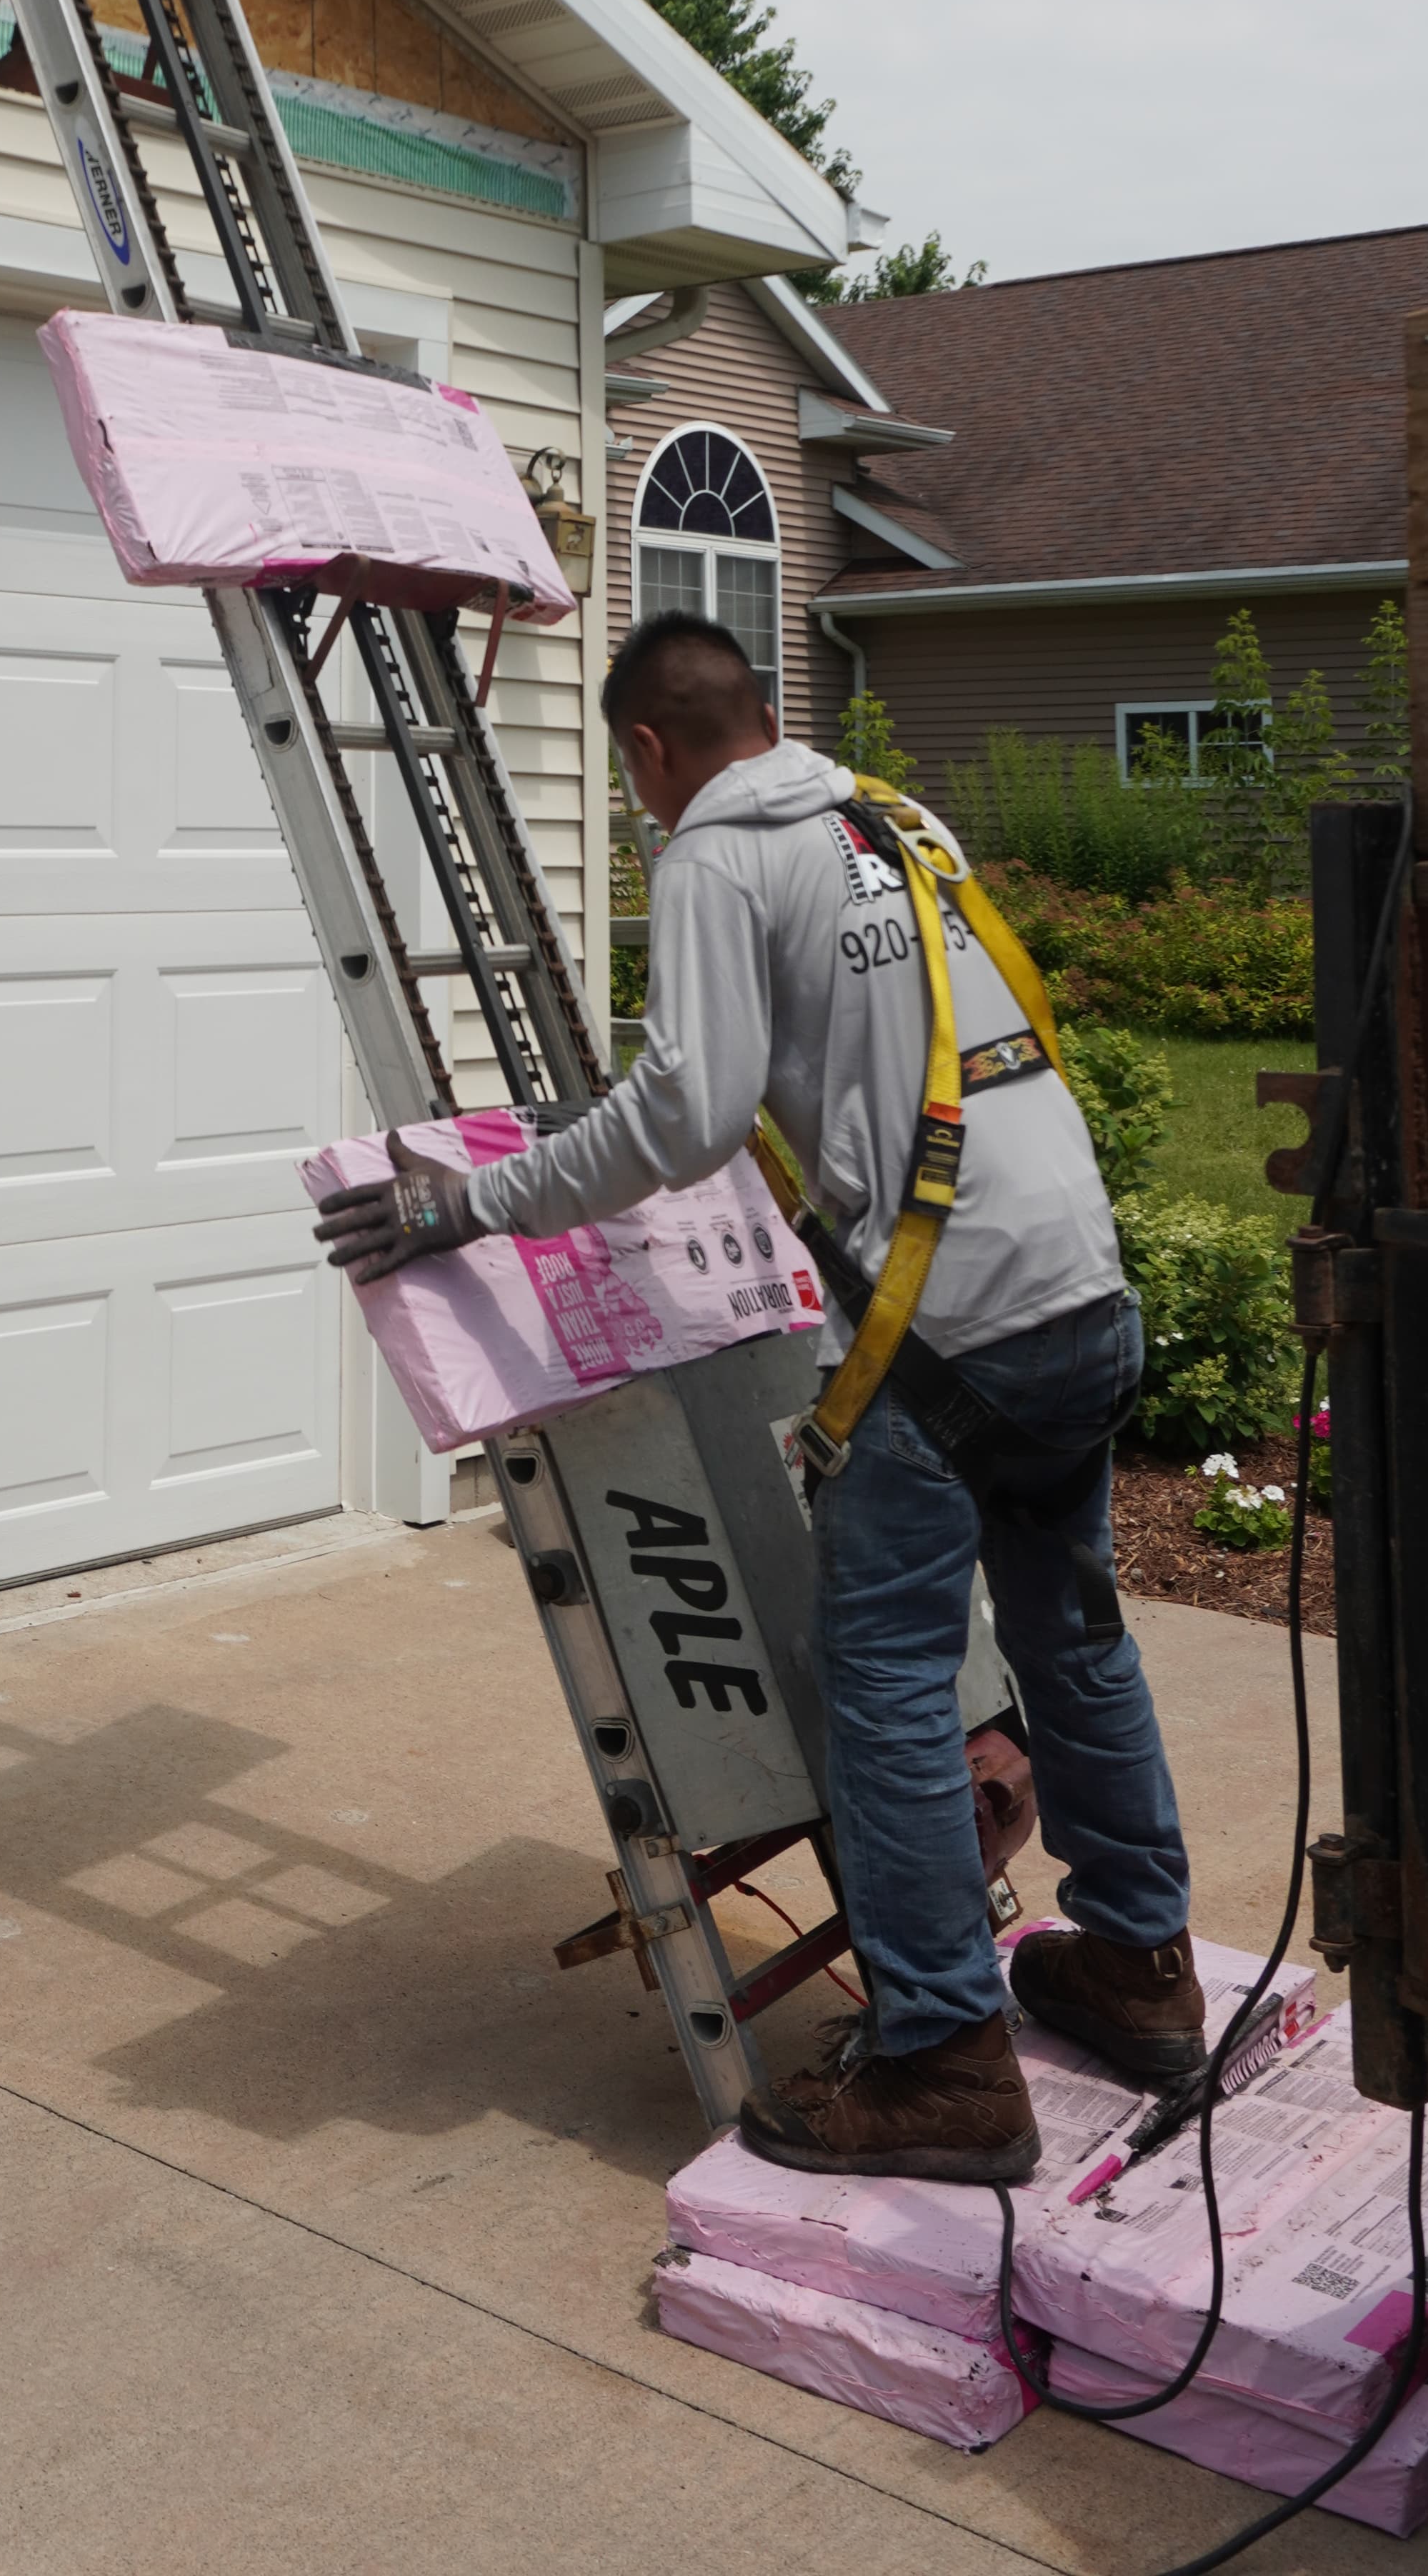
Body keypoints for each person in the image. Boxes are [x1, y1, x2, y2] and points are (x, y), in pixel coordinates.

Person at [312, 609, 1202, 2184]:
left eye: (633, 778)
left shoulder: (718, 855)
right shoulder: (892, 822)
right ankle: (1141, 1966)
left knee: (884, 1685)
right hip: (1079, 1300)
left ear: (651, 750)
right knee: (1073, 1637)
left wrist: (474, 1203)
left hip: (951, 1336)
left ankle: (946, 2067)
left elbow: (690, 1111)